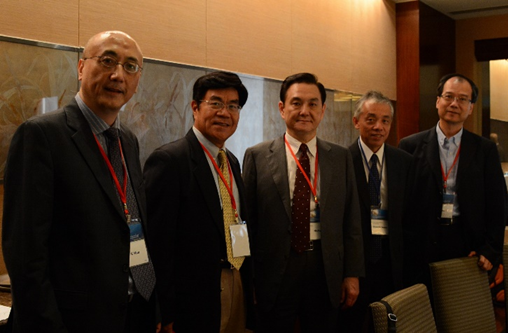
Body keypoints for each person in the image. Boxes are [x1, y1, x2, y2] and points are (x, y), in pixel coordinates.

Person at [2, 31, 156, 332]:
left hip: (129, 315)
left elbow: (133, 226)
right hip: (71, 321)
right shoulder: (41, 136)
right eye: (107, 61)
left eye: (130, 66)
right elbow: (25, 256)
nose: (117, 75)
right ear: (81, 68)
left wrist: (151, 304)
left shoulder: (128, 141)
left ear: (137, 81)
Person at [242, 72, 364, 333]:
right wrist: (248, 278)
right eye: (296, 103)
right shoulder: (257, 156)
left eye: (313, 104)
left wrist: (352, 273)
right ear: (282, 108)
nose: (304, 111)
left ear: (323, 110)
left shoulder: (340, 157)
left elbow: (351, 218)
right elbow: (248, 222)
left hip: (326, 267)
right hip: (275, 271)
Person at [143, 71, 253, 333]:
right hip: (192, 299)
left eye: (233, 106)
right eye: (215, 103)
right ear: (195, 107)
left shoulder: (232, 161)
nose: (224, 113)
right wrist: (164, 310)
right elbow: (158, 244)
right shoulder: (170, 160)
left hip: (236, 280)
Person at [399, 73, 507, 288]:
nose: (454, 104)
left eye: (463, 99)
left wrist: (491, 249)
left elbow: (498, 203)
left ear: (471, 107)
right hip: (422, 245)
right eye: (448, 96)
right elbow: (403, 202)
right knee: (423, 313)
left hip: (468, 246)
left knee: (462, 315)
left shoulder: (485, 150)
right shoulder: (409, 146)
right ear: (438, 100)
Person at [341, 91, 412, 332]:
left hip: (392, 261)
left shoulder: (404, 162)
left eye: (385, 120)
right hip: (356, 264)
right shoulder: (340, 161)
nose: (378, 127)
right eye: (371, 119)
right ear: (356, 121)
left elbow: (410, 217)